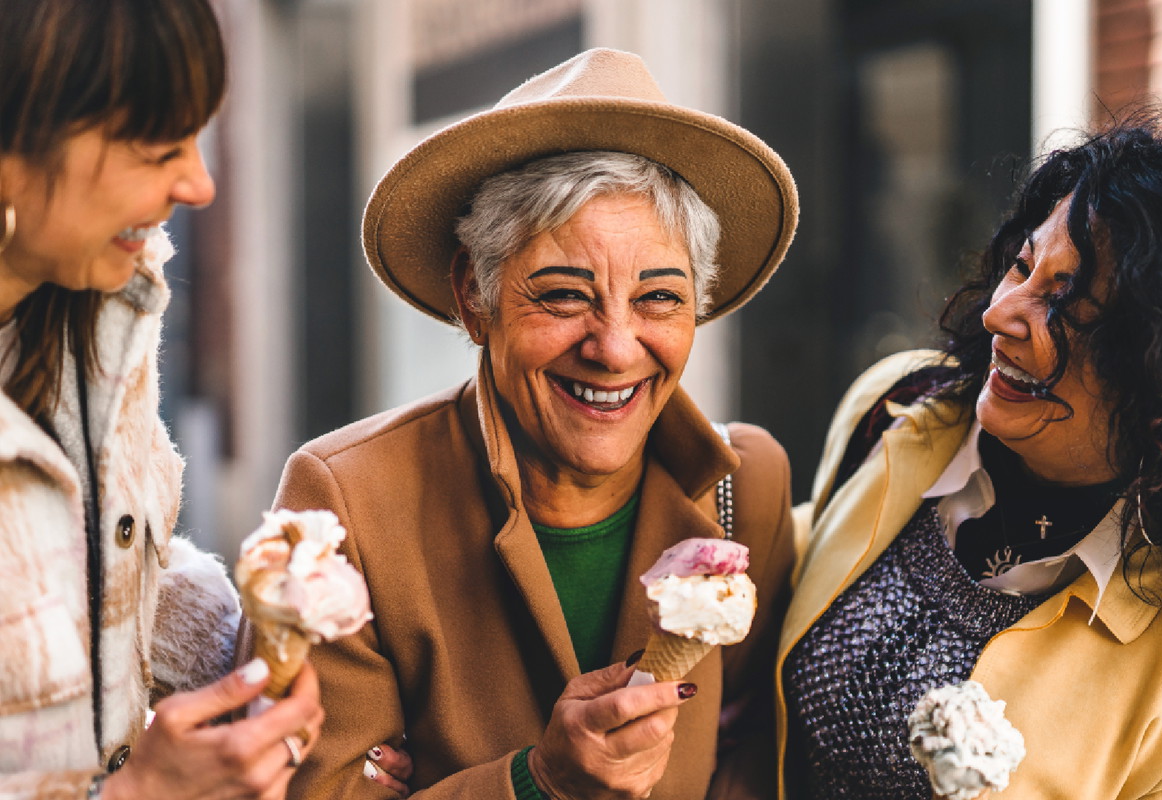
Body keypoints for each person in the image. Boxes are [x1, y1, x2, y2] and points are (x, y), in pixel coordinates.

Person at [274, 48, 798, 799]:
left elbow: (755, 745)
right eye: (561, 295)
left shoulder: (745, 491)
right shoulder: (346, 505)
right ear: (473, 296)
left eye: (659, 299)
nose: (615, 349)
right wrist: (534, 779)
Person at [777, 112, 1162, 798]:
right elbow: (783, 565)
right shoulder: (894, 407)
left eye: (1068, 308)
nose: (1001, 314)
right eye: (1023, 266)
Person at [0, 1, 323, 798]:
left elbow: (90, 572)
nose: (200, 183)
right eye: (157, 147)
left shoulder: (95, 310)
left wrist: (253, 668)